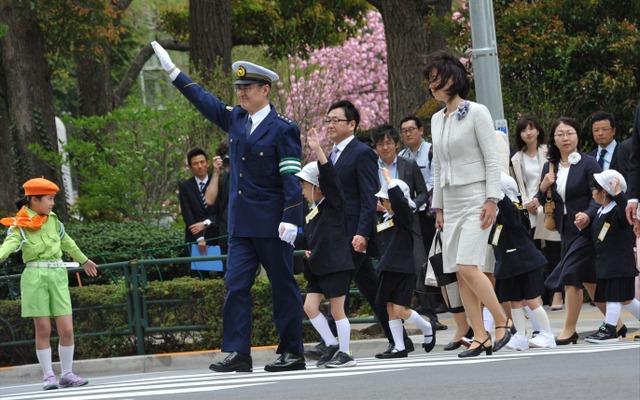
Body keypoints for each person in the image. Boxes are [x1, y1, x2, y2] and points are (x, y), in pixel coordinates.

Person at [152, 42, 306, 373]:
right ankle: (239, 352)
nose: (241, 93)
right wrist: (173, 72)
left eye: (247, 87)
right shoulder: (236, 119)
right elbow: (204, 101)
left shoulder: (283, 128)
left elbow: (291, 177)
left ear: (265, 89)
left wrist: (292, 218)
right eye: (238, 88)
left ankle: (292, 352)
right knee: (235, 285)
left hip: (272, 224)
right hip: (240, 226)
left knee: (282, 287)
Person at [305, 100, 414, 360]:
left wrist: (363, 233)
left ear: (351, 124)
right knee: (372, 288)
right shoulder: (332, 154)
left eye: (336, 120)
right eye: (328, 120)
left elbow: (368, 196)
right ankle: (399, 339)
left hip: (353, 234)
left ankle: (333, 344)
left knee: (336, 285)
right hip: (336, 233)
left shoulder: (361, 152)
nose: (330, 125)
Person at [425, 50, 514, 358]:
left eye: (436, 79)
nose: (432, 86)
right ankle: (480, 336)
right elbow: (437, 164)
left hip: (477, 197)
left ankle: (502, 321)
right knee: (458, 271)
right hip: (450, 200)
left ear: (453, 78)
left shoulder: (477, 111)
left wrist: (492, 199)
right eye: (430, 81)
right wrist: (439, 206)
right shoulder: (437, 119)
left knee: (467, 265)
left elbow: (492, 159)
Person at [0, 178, 98, 390]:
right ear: (34, 200)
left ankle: (67, 374)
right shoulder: (20, 224)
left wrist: (84, 260)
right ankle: (48, 376)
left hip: (58, 275)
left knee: (67, 329)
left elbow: (67, 242)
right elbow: (9, 245)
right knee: (43, 329)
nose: (53, 203)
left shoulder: (55, 221)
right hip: (35, 276)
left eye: (53, 199)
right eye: (49, 199)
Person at [537, 117, 611, 345]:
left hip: (587, 229)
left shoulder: (589, 164)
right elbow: (542, 199)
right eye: (560, 134)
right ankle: (616, 324)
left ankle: (569, 330)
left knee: (570, 275)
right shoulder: (550, 167)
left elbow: (599, 196)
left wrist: (588, 215)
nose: (565, 138)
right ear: (554, 139)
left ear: (577, 136)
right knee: (588, 280)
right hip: (565, 230)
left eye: (569, 133)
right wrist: (542, 187)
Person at [371, 124, 446, 330]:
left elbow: (422, 192)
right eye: (380, 144)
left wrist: (411, 204)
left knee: (419, 263)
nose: (385, 147)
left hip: (409, 221)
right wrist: (374, 204)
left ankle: (430, 315)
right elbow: (364, 193)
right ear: (375, 147)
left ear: (396, 144)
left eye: (389, 143)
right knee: (387, 267)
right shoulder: (370, 167)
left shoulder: (408, 164)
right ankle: (393, 320)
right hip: (382, 223)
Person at [295, 127, 356, 368]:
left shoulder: (334, 203)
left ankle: (345, 352)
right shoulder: (313, 211)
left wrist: (319, 151)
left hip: (336, 264)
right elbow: (311, 238)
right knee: (309, 307)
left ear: (317, 186)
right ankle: (331, 344)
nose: (302, 190)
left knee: (337, 310)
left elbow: (330, 179)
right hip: (319, 265)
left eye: (304, 185)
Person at [373, 168, 436, 358]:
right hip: (387, 268)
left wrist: (389, 181)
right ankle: (399, 347)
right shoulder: (385, 219)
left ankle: (426, 326)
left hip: (402, 269)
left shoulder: (406, 215)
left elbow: (400, 203)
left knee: (399, 309)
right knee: (390, 307)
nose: (383, 204)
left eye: (386, 200)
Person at [491, 174, 556, 350]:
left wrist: (498, 193)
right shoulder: (499, 212)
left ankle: (547, 334)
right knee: (514, 301)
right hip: (510, 265)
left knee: (531, 300)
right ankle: (520, 335)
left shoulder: (514, 209)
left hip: (525, 263)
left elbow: (511, 216)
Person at [397, 117, 449, 325]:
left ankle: (442, 299)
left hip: (431, 211)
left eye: (411, 129)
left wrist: (421, 199)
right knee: (420, 260)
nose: (408, 134)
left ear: (421, 130)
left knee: (435, 256)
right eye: (404, 130)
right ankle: (425, 302)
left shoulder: (431, 150)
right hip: (412, 215)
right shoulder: (401, 156)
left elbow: (434, 179)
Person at [509, 115, 563, 310]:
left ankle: (557, 293)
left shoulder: (548, 152)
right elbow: (516, 186)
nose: (528, 133)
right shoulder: (515, 158)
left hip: (548, 206)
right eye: (524, 130)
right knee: (532, 254)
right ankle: (536, 295)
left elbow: (554, 178)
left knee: (554, 250)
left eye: (531, 128)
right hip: (528, 209)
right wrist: (526, 203)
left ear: (538, 131)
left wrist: (537, 199)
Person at [585, 170, 640, 343]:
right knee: (627, 300)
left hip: (619, 264)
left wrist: (618, 193)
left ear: (604, 191)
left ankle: (609, 330)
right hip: (607, 263)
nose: (592, 191)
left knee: (614, 297)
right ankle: (609, 329)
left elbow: (627, 214)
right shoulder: (602, 211)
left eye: (595, 188)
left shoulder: (618, 209)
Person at [179, 148, 219, 255]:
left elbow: (222, 210)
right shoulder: (185, 187)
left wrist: (206, 223)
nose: (200, 166)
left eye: (202, 162)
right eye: (195, 164)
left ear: (208, 163)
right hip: (195, 238)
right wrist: (199, 238)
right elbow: (187, 214)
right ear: (190, 167)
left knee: (223, 270)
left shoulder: (218, 182)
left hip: (218, 235)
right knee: (200, 271)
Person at [205, 140, 230, 261]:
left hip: (247, 231)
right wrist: (216, 172)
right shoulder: (221, 175)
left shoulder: (247, 171)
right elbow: (209, 200)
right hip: (226, 231)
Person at [587, 111, 626, 179]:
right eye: (596, 130)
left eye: (604, 129)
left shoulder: (625, 152)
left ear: (613, 131)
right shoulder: (589, 157)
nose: (600, 133)